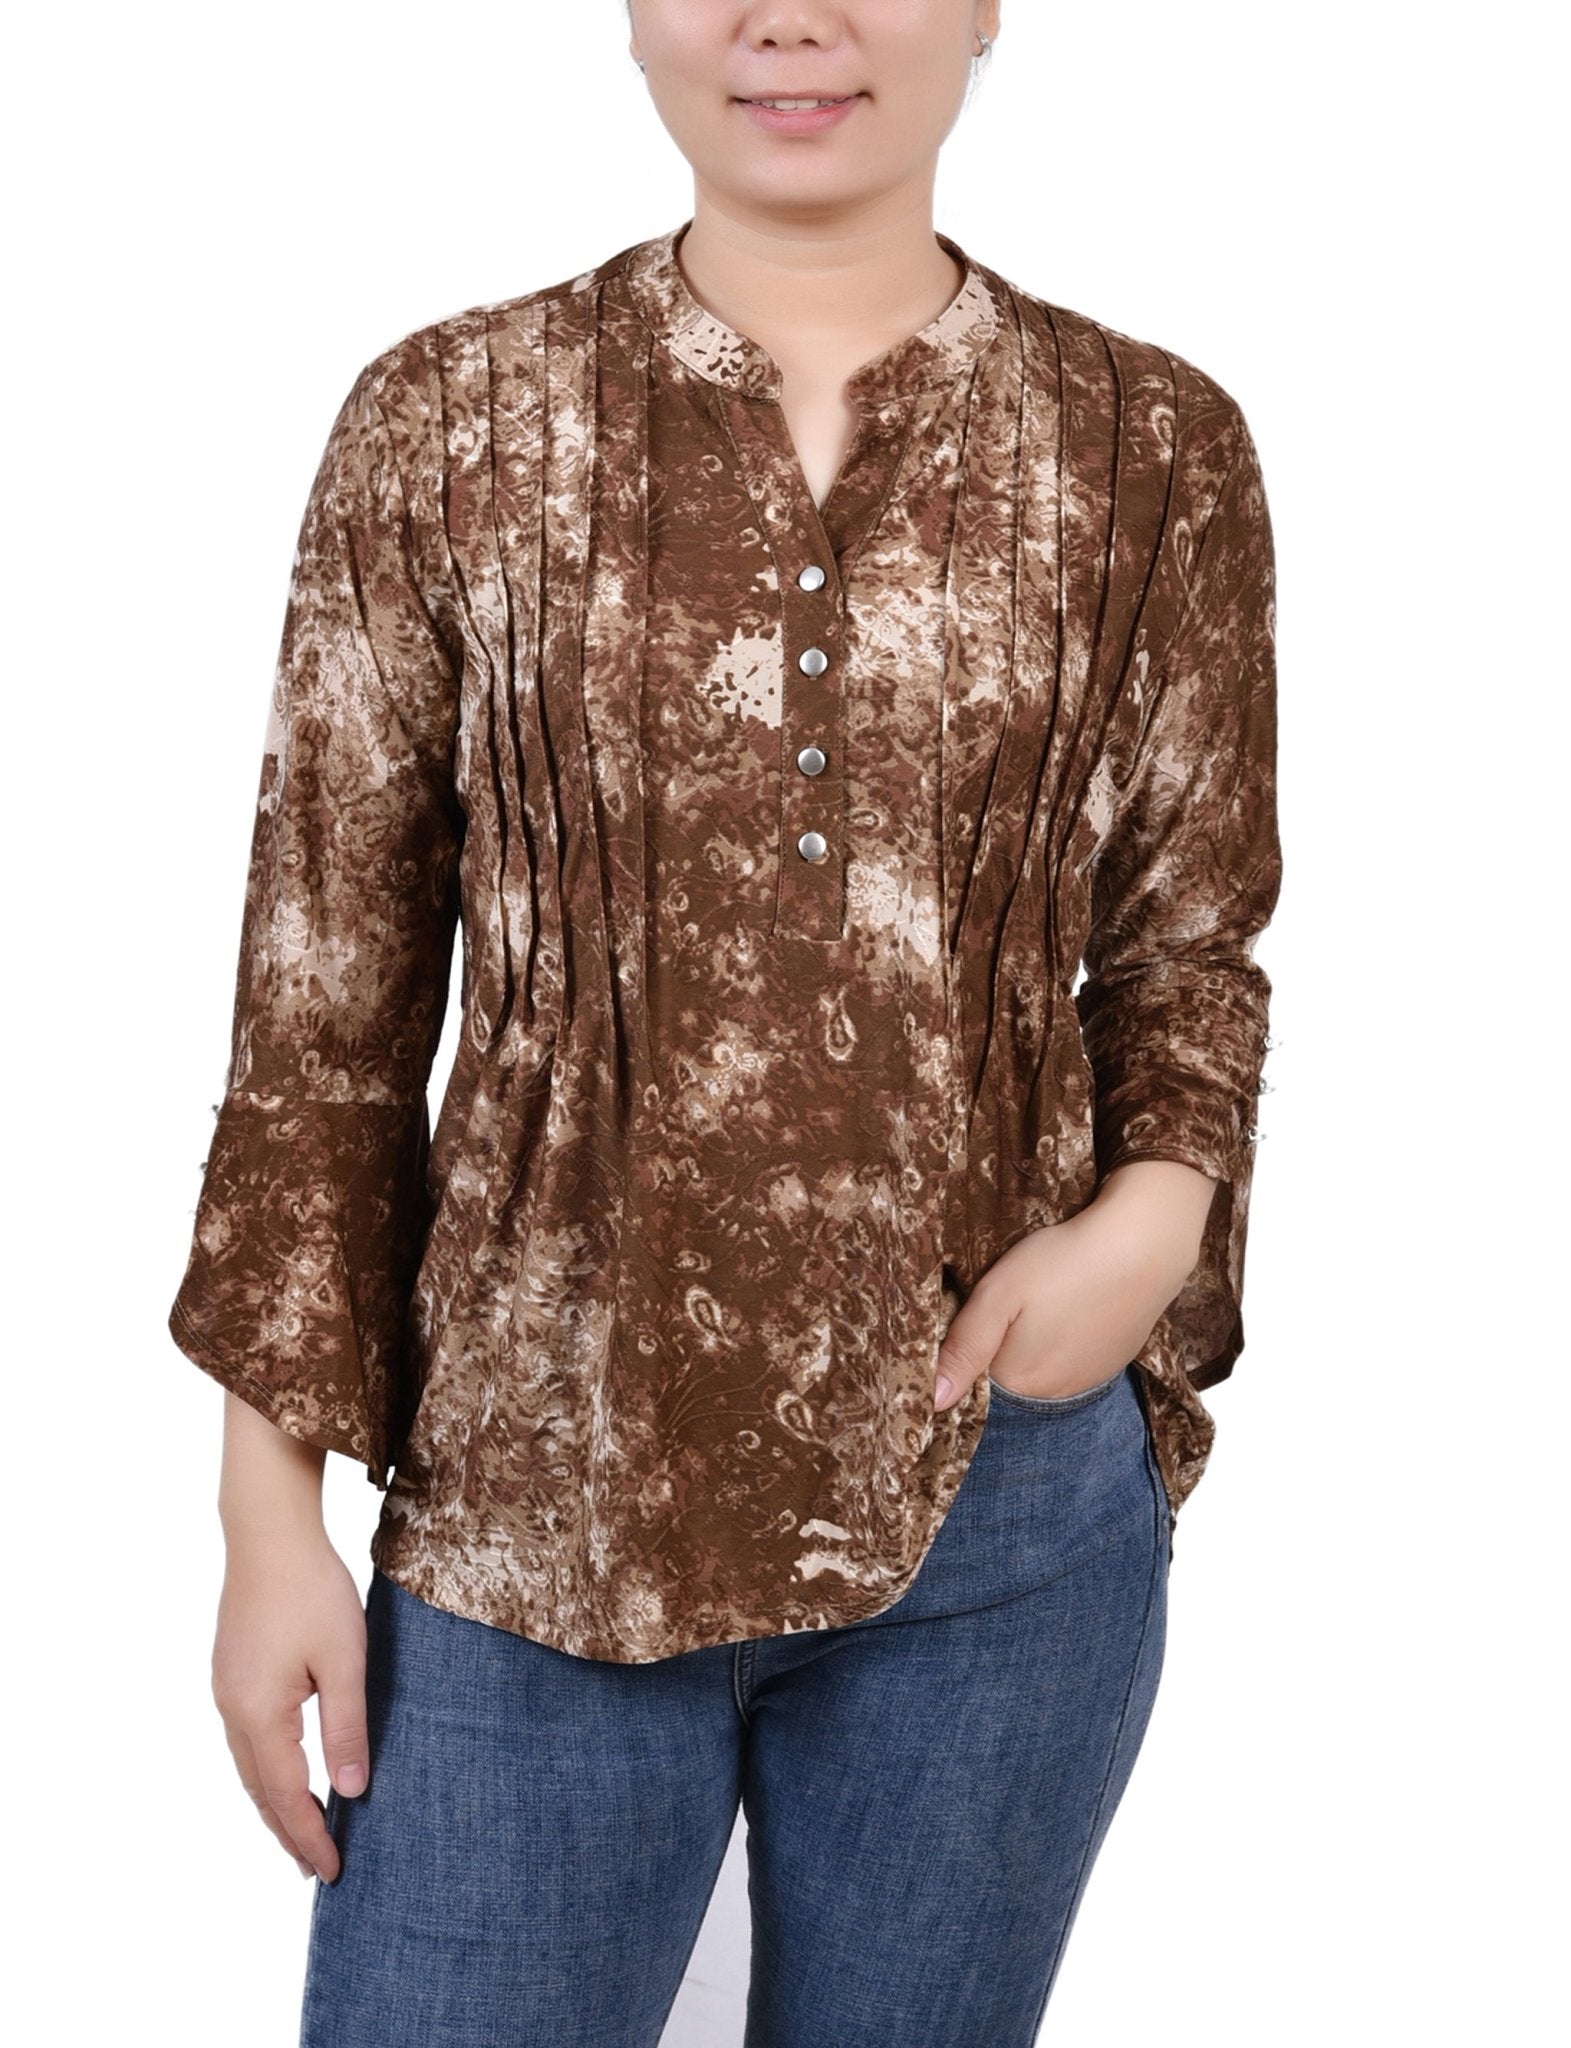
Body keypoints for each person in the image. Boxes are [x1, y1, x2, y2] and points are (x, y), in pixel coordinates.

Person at [167, 3, 1282, 2042]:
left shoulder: (1151, 447)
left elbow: (1190, 944)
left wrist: (1156, 1215)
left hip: (1002, 1522)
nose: (787, 17)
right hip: (529, 1516)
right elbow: (323, 1009)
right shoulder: (450, 425)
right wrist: (270, 1519)